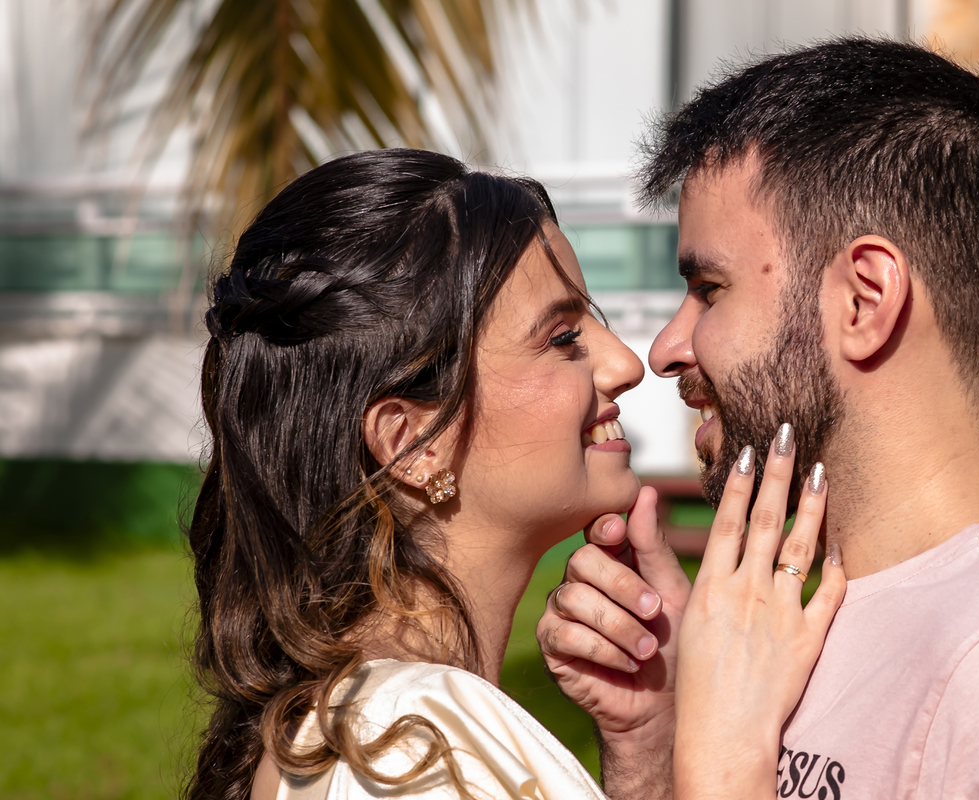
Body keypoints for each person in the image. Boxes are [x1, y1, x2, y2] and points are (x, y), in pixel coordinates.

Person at [538, 38, 979, 799]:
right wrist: (661, 742)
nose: (664, 349)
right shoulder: (806, 618)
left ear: (865, 300)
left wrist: (720, 774)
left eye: (710, 288)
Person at [187, 147, 844, 800]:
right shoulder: (403, 758)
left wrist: (649, 748)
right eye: (561, 338)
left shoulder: (389, 731)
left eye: (596, 322)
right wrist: (726, 754)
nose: (625, 364)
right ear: (412, 442)